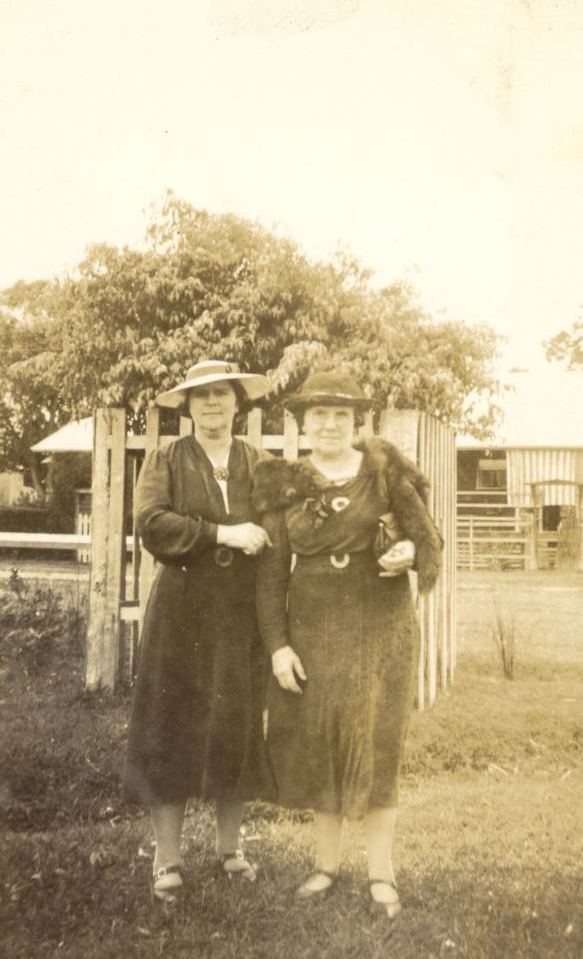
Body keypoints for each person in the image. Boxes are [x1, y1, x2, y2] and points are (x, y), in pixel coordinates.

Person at [252, 371, 442, 919]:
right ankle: (324, 866)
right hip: (311, 632)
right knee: (318, 743)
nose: (329, 424)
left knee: (378, 743)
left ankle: (382, 873)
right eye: (318, 414)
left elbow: (429, 539)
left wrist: (407, 550)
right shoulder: (283, 484)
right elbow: (269, 577)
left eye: (341, 414)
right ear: (302, 423)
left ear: (357, 422)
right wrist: (278, 647)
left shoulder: (385, 475)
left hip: (381, 629)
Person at [124, 360, 273, 902]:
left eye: (222, 395)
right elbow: (152, 524)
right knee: (172, 725)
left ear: (239, 403)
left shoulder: (257, 462)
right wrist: (224, 534)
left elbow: (285, 523)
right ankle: (168, 859)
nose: (212, 404)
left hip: (240, 615)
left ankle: (230, 850)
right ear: (187, 407)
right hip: (181, 612)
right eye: (201, 396)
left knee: (234, 724)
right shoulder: (166, 458)